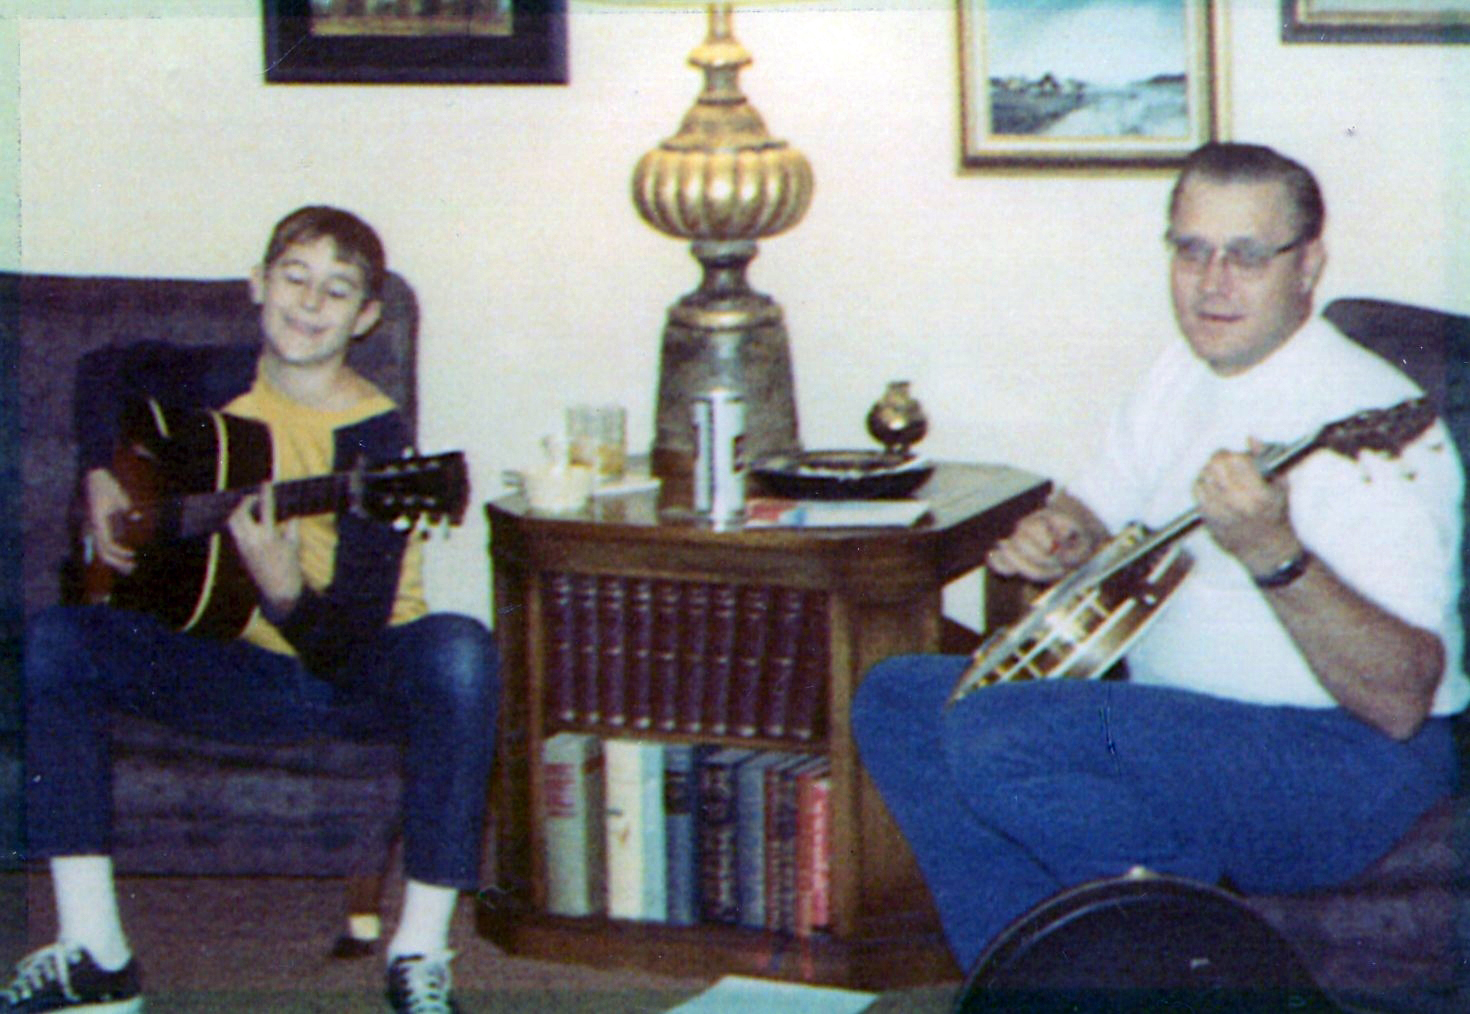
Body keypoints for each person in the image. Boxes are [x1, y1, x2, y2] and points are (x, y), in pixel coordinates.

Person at [851, 142, 1469, 976]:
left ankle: (1174, 973)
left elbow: (1401, 700)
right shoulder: (1182, 371)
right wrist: (1063, 533)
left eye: (1248, 254)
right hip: (1185, 728)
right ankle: (1033, 985)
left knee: (1006, 735)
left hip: (1346, 765)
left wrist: (1276, 555)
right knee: (899, 699)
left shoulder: (1380, 428)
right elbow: (1094, 508)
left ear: (1309, 263)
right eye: (1191, 248)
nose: (1213, 281)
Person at [3, 206, 499, 1014]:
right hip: (230, 667)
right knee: (60, 636)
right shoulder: (220, 376)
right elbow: (104, 369)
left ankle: (418, 953)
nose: (308, 304)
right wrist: (100, 472)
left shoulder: (377, 444)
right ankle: (94, 953)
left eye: (335, 292)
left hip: (347, 674)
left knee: (462, 648)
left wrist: (283, 589)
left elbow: (342, 650)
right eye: (293, 279)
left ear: (366, 317)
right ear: (258, 285)